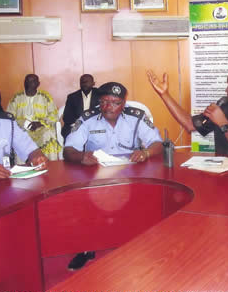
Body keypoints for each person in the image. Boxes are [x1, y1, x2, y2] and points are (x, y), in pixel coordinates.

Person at [63, 82, 163, 271]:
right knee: (80, 199)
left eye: (115, 102)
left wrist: (146, 153)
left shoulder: (137, 117)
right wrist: (80, 156)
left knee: (149, 197)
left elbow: (157, 142)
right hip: (96, 175)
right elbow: (68, 150)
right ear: (99, 102)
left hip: (131, 174)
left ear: (123, 103)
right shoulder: (87, 119)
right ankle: (86, 249)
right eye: (105, 102)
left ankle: (138, 244)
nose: (109, 107)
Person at [146, 67, 228, 162]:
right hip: (225, 173)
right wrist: (164, 94)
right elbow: (189, 124)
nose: (226, 90)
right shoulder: (226, 105)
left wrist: (223, 123)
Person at [6, 74, 62, 161]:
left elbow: (54, 115)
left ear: (38, 84)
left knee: (48, 135)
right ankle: (23, 170)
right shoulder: (16, 97)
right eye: (27, 81)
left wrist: (40, 123)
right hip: (22, 129)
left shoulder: (45, 96)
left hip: (41, 128)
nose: (29, 83)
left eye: (32, 81)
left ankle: (51, 166)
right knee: (18, 138)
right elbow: (9, 116)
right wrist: (22, 123)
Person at [61, 74, 100, 138]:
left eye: (87, 81)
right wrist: (79, 123)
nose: (84, 84)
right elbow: (66, 117)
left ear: (93, 83)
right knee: (72, 135)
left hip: (95, 125)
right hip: (77, 124)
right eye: (82, 82)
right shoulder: (72, 97)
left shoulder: (100, 95)